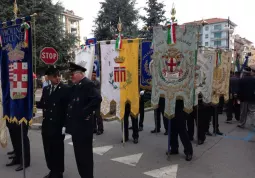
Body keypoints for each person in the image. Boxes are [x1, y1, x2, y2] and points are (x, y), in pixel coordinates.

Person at [66, 62, 102, 178]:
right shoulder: (77, 85)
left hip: (84, 128)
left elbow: (97, 98)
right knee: (79, 156)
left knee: (85, 156)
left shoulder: (87, 84)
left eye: (73, 74)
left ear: (80, 74)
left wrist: (84, 112)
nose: (71, 77)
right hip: (77, 127)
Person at [36, 66, 70, 178]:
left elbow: (67, 108)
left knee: (57, 150)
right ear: (49, 77)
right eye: (54, 76)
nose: (57, 78)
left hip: (58, 125)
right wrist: (31, 103)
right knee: (48, 149)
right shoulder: (46, 89)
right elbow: (43, 104)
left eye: (58, 75)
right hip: (47, 125)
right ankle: (52, 170)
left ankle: (58, 172)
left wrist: (65, 125)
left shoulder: (65, 89)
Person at [91, 71, 104, 135]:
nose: (93, 76)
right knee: (93, 116)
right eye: (92, 75)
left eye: (94, 75)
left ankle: (100, 129)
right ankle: (94, 128)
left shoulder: (97, 82)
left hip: (97, 100)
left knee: (98, 115)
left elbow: (97, 92)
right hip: (91, 101)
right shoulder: (89, 82)